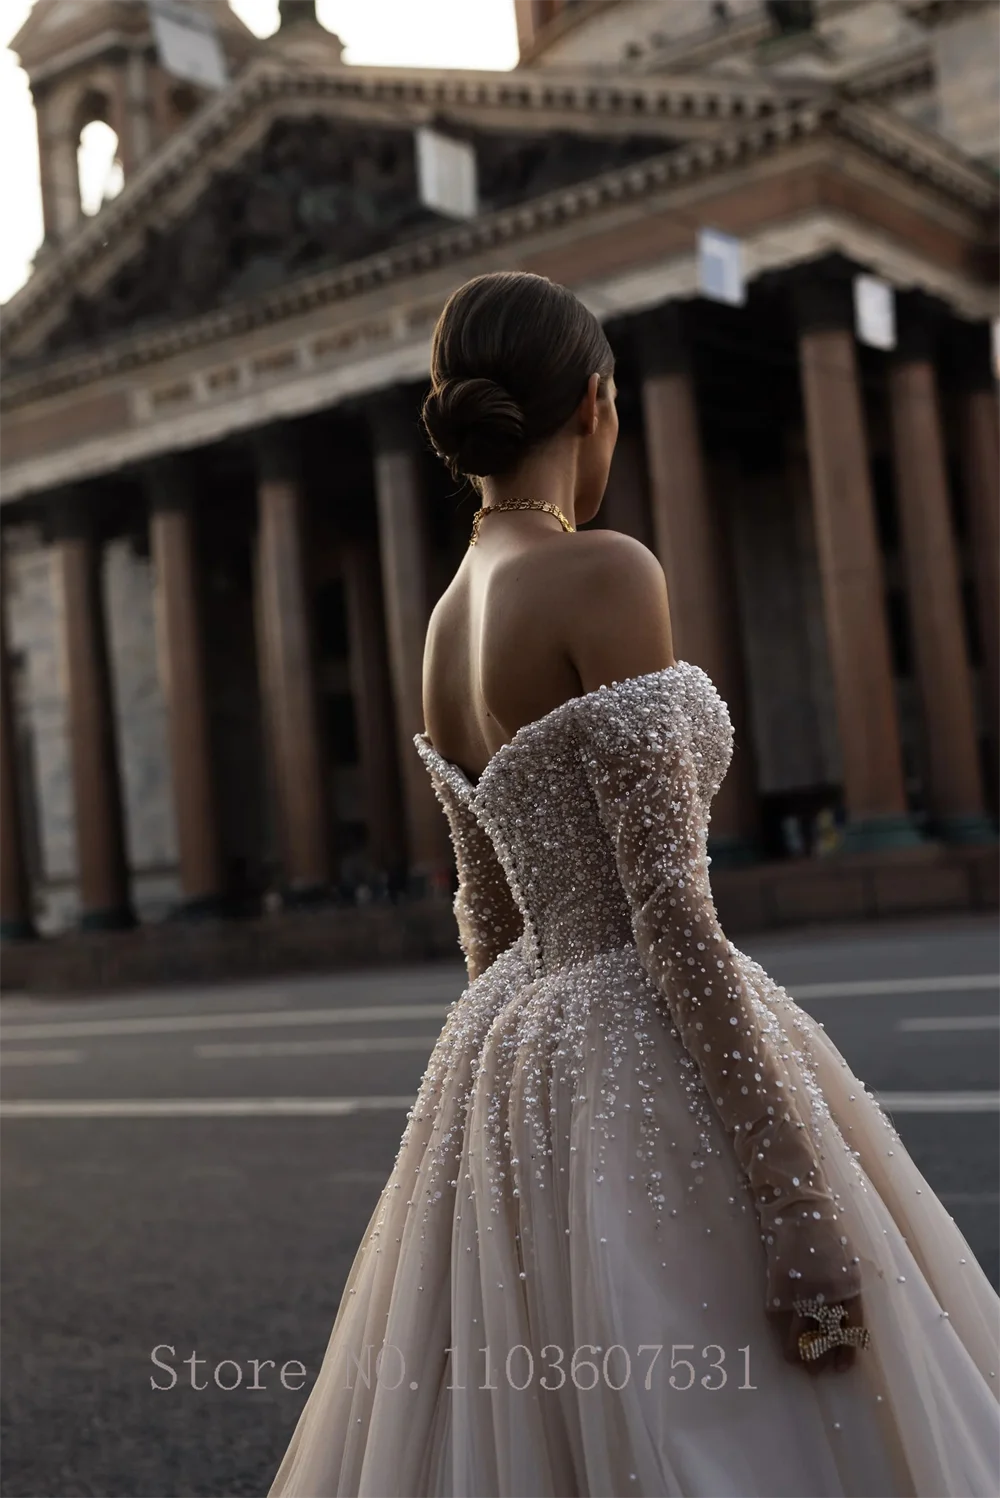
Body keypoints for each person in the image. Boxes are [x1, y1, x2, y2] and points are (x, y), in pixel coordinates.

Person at [267, 272, 1000, 1497]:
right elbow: (669, 910)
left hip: (509, 1056)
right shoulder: (604, 572)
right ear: (596, 403)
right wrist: (789, 1191)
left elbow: (485, 915)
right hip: (637, 1035)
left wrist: (519, 1097)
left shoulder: (445, 621)